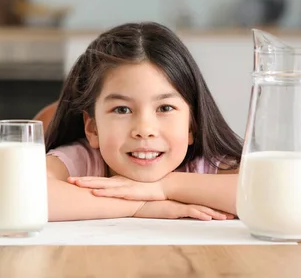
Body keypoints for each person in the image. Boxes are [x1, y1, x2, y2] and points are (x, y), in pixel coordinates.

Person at [45, 22, 243, 222]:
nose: (144, 130)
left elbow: (270, 194)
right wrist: (139, 204)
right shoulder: (83, 161)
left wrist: (165, 187)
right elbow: (19, 193)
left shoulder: (205, 166)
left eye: (165, 108)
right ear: (93, 128)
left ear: (192, 124)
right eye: (122, 109)